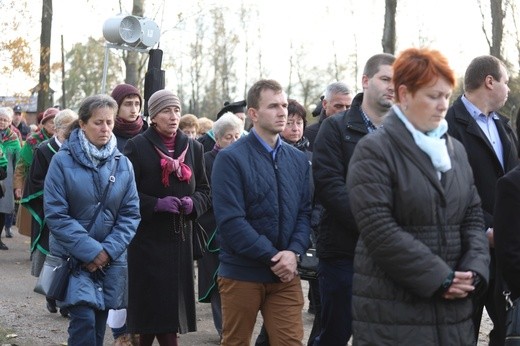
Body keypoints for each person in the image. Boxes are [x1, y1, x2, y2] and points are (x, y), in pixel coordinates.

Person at [346, 47, 490, 345]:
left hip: (453, 317)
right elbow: (378, 228)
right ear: (405, 94)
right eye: (432, 96)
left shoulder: (455, 150)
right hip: (394, 315)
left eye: (446, 96)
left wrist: (473, 270)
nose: (442, 105)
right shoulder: (375, 150)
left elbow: (473, 216)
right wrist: (441, 278)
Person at [212, 79, 312, 345]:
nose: (282, 112)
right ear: (253, 114)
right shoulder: (230, 158)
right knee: (236, 342)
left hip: (286, 276)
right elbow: (231, 221)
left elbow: (305, 212)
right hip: (242, 273)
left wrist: (294, 253)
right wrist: (273, 257)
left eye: (284, 105)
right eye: (273, 106)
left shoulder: (298, 159)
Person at [311, 53, 395, 346]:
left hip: (393, 258)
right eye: (385, 79)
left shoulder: (407, 132)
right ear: (366, 81)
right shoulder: (336, 128)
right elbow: (329, 185)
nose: (392, 86)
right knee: (335, 333)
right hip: (344, 254)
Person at [43, 94, 141, 346]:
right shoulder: (61, 161)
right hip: (74, 259)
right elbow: (56, 214)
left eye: (109, 122)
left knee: (98, 326)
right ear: (83, 124)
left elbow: (130, 214)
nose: (105, 128)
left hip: (110, 262)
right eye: (98, 122)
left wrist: (107, 251)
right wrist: (91, 251)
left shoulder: (123, 164)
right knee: (83, 321)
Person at [124, 89, 211, 346]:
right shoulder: (137, 146)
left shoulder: (193, 148)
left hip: (181, 241)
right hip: (147, 241)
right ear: (153, 116)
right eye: (165, 111)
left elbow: (206, 191)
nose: (173, 116)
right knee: (151, 310)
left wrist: (193, 202)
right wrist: (155, 204)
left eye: (176, 110)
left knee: (168, 310)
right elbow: (126, 195)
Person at [445, 55, 519, 345]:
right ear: (489, 81)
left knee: (508, 331)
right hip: (464, 254)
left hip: (506, 256)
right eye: (505, 81)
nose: (509, 89)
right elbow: (450, 191)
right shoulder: (448, 126)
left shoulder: (504, 125)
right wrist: (488, 229)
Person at [21, 109, 77, 316]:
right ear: (58, 128)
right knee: (53, 255)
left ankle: (66, 300)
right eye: (70, 128)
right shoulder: (44, 150)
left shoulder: (78, 149)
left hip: (76, 211)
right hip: (51, 212)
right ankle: (52, 295)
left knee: (72, 256)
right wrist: (59, 194)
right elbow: (35, 181)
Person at [197, 111, 243, 340]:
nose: (234, 142)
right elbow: (204, 195)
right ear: (217, 138)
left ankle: (234, 328)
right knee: (218, 280)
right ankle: (224, 329)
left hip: (240, 230)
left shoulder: (244, 159)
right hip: (213, 229)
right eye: (228, 137)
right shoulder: (206, 161)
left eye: (238, 136)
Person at [14, 107, 57, 237]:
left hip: (54, 186)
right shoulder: (33, 141)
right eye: (51, 122)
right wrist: (18, 186)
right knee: (34, 222)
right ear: (43, 124)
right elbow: (21, 165)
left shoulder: (63, 140)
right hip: (34, 186)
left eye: (57, 122)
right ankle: (35, 251)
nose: (54, 125)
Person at [304, 82, 353, 151]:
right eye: (338, 106)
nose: (344, 111)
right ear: (324, 104)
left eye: (348, 107)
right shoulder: (308, 134)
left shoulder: (358, 134)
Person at [0, 107, 20, 249]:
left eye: (5, 120)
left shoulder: (14, 139)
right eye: (0, 119)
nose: (1, 122)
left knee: (3, 210)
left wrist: (17, 182)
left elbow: (18, 161)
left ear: (10, 122)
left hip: (6, 178)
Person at [111, 83, 149, 152]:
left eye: (137, 104)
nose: (134, 110)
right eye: (128, 104)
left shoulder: (148, 135)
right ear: (116, 107)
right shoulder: (107, 133)